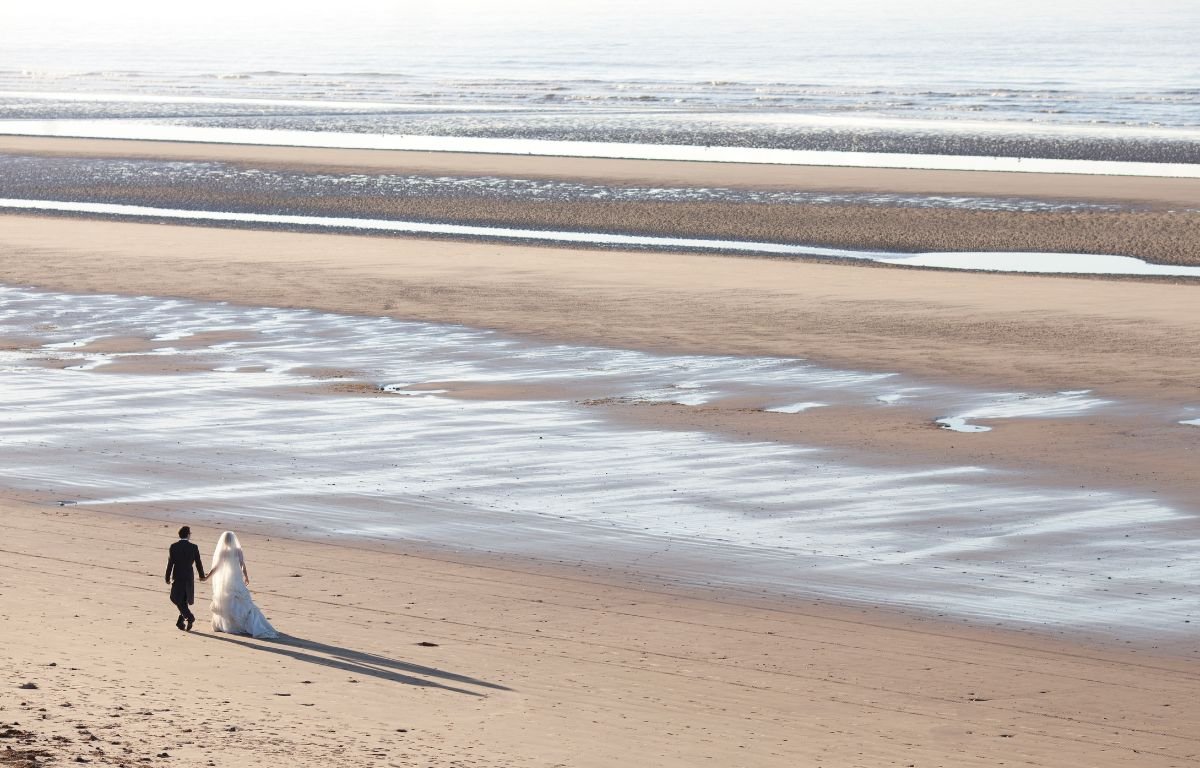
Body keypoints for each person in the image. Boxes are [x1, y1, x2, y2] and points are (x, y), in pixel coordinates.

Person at [208, 531, 278, 639]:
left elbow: (216, 567)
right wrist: (246, 576)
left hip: (225, 580)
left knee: (226, 601)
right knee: (241, 601)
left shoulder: (222, 552)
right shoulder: (237, 550)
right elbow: (242, 565)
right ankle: (244, 624)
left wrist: (207, 577)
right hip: (235, 578)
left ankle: (227, 624)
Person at [165, 526, 206, 632]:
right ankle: (181, 621)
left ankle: (189, 617)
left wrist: (167, 577)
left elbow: (170, 563)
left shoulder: (173, 546)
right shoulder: (193, 547)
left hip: (178, 576)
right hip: (188, 577)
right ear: (188, 535)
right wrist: (202, 576)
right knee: (183, 599)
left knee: (175, 597)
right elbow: (198, 563)